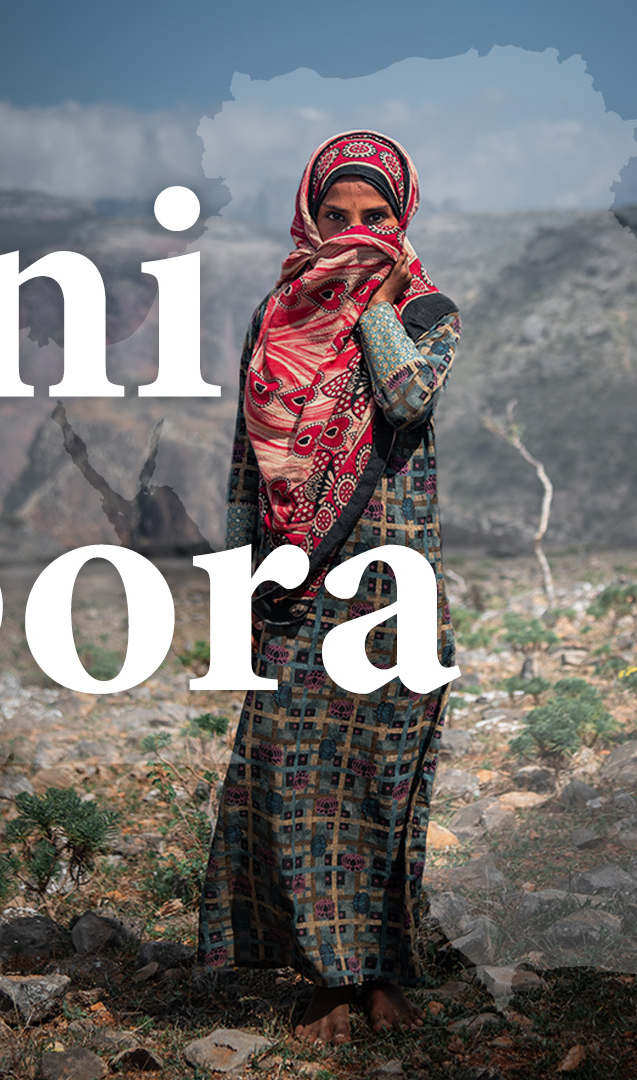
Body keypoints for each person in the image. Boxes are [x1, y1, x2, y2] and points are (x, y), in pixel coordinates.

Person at [198, 130, 461, 1045]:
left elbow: (406, 399)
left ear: (403, 217)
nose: (355, 232)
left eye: (375, 216)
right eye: (336, 216)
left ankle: (383, 968)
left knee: (386, 780)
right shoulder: (275, 319)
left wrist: (378, 305)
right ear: (310, 217)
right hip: (298, 586)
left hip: (394, 583)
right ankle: (322, 979)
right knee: (295, 784)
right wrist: (238, 592)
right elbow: (246, 466)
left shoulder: (429, 312)